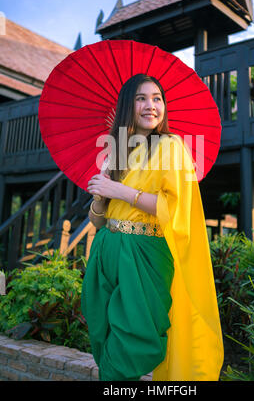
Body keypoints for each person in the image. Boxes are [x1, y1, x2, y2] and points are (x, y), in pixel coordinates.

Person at [81, 73, 223, 381]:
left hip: (145, 253)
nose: (151, 105)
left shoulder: (171, 147)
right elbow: (97, 220)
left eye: (157, 98)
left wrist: (122, 192)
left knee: (134, 340)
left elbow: (176, 207)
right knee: (102, 332)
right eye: (141, 98)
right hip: (107, 248)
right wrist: (100, 196)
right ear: (127, 106)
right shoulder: (118, 152)